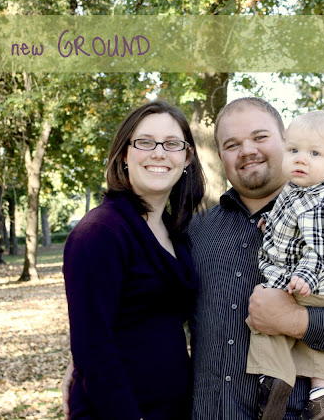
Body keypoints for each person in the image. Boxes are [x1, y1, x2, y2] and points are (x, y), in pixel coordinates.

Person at [62, 97, 324, 420]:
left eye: (260, 137)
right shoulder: (195, 231)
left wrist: (298, 321)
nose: (247, 150)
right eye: (232, 144)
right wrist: (82, 362)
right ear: (219, 155)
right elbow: (146, 307)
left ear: (285, 142)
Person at [62, 100, 205, 420]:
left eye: (172, 144)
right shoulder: (100, 232)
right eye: (145, 142)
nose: (159, 153)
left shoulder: (175, 232)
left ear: (187, 158)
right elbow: (93, 348)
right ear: (124, 154)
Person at [246, 111, 324, 420]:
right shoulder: (301, 191)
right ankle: (322, 398)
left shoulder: (321, 201)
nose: (301, 159)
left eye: (314, 153)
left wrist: (306, 276)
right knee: (319, 343)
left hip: (315, 282)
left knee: (265, 316)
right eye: (294, 150)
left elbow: (321, 247)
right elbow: (292, 221)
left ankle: (274, 379)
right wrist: (271, 222)